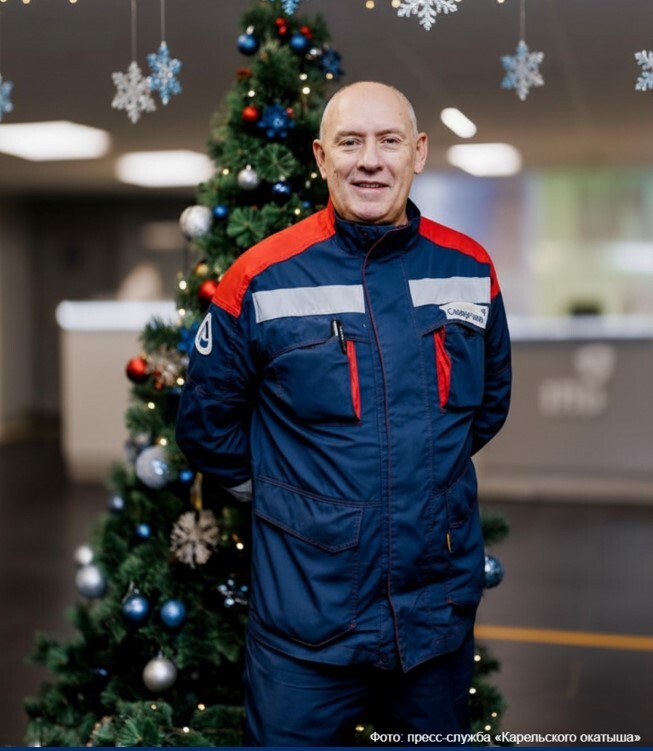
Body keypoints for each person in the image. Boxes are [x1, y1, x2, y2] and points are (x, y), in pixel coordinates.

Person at [175, 81, 511, 746]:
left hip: (433, 616)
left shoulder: (469, 267)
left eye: (389, 141)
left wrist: (416, 469)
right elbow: (206, 426)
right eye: (350, 142)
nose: (370, 160)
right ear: (320, 156)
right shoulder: (261, 276)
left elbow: (487, 405)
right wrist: (288, 493)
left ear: (418, 152)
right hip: (306, 619)